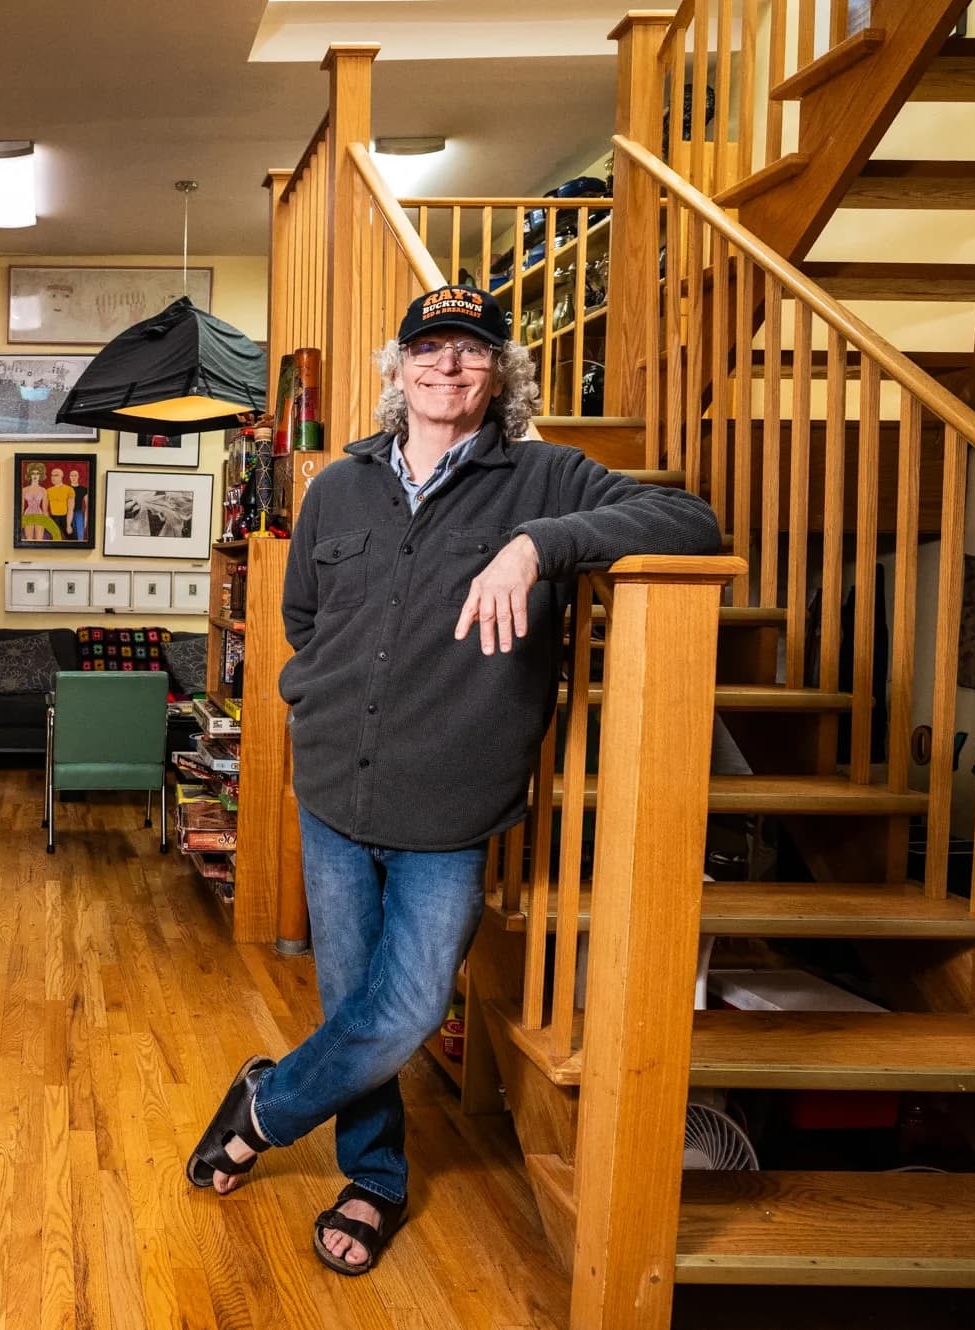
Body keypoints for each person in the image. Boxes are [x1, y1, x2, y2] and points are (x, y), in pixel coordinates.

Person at [184, 285, 720, 1277]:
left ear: (499, 374)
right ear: (397, 369)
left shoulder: (542, 476)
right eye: (428, 348)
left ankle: (260, 1108)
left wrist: (535, 545)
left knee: (408, 1008)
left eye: (471, 350)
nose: (447, 365)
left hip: (451, 806)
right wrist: (316, 701)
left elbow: (690, 519)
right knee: (353, 1003)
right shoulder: (337, 485)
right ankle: (374, 1177)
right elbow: (304, 618)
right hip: (332, 790)